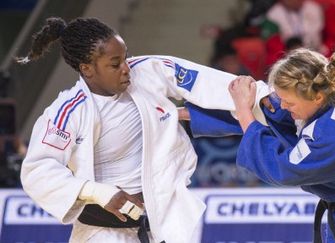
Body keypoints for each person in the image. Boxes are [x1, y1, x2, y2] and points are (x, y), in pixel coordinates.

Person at [18, 17, 269, 243]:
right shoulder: (68, 111)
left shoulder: (150, 70)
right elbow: (38, 171)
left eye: (125, 57)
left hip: (164, 221)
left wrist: (267, 98)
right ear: (87, 69)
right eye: (115, 64)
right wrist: (99, 192)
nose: (126, 68)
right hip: (103, 231)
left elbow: (207, 83)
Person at [184, 48, 335, 242]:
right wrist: (180, 114)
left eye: (288, 102)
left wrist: (242, 107)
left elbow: (281, 168)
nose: (283, 106)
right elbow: (267, 115)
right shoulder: (319, 99)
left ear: (316, 97)